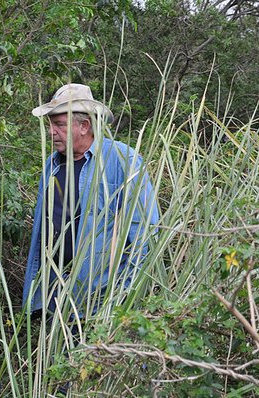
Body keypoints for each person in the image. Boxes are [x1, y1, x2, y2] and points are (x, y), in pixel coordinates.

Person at [22, 83, 159, 318]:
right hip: (53, 293)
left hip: (100, 301)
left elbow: (144, 234)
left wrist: (124, 294)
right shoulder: (52, 165)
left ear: (84, 126)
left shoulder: (122, 160)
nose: (52, 132)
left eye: (60, 125)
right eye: (51, 124)